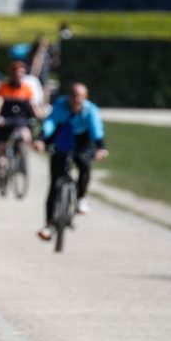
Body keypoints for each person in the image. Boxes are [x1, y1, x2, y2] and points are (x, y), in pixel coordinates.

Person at [33, 82, 108, 241]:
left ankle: (81, 198)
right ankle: (48, 224)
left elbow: (97, 130)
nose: (76, 100)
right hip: (62, 140)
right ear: (69, 96)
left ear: (85, 98)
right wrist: (41, 140)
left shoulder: (90, 110)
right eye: (73, 96)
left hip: (82, 142)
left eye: (80, 97)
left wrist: (101, 147)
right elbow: (50, 123)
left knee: (85, 165)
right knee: (54, 184)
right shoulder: (60, 105)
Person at [0, 61, 36, 171]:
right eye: (17, 73)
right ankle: (2, 166)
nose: (19, 75)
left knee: (25, 136)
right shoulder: (4, 87)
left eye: (22, 73)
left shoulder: (27, 88)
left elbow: (32, 105)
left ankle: (21, 157)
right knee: (2, 144)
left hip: (21, 120)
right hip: (6, 120)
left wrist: (37, 115)